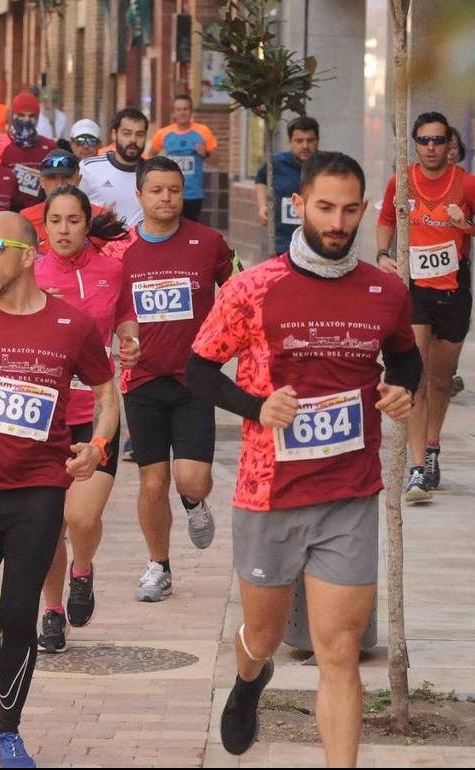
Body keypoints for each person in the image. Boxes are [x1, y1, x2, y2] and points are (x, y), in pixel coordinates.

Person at [188, 151, 419, 766]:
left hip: (349, 492)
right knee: (263, 636)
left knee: (338, 651)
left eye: (349, 209)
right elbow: (198, 368)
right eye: (325, 207)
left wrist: (404, 390)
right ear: (299, 206)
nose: (337, 222)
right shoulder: (253, 288)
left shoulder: (385, 289)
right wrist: (255, 406)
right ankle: (247, 681)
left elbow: (405, 358)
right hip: (270, 494)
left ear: (365, 210)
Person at [0, 211, 118, 768]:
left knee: (20, 613)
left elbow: (108, 398)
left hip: (40, 487)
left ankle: (7, 731)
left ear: (27, 253)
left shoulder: (72, 325)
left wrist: (98, 447)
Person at [117, 156, 233, 602]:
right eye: (157, 191)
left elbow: (237, 290)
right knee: (151, 481)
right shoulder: (120, 251)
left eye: (174, 190)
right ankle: (158, 566)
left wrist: (227, 339)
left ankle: (194, 503)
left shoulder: (208, 243)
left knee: (191, 480)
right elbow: (106, 309)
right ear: (140, 195)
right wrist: (119, 343)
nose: (167, 198)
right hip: (142, 381)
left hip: (194, 379)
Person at [33, 186, 138, 653]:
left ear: (86, 224)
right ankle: (52, 610)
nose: (63, 230)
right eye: (55, 220)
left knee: (81, 514)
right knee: (48, 523)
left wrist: (129, 339)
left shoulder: (111, 270)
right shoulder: (30, 273)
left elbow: (126, 314)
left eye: (73, 220)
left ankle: (84, 568)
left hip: (98, 410)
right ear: (45, 225)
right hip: (44, 416)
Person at [375, 111, 475, 501]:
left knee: (439, 378)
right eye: (424, 140)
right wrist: (383, 253)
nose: (431, 147)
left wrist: (463, 224)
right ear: (413, 143)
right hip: (414, 289)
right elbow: (385, 218)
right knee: (415, 373)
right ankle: (417, 466)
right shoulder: (401, 181)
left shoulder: (465, 183)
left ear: (449, 143)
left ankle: (432, 447)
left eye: (438, 140)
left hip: (453, 290)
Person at [255, 116, 320, 258]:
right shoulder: (275, 163)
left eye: (310, 140)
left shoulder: (326, 166)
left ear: (317, 141)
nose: (305, 146)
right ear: (289, 141)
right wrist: (262, 206)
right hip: (283, 244)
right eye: (299, 141)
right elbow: (260, 179)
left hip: (315, 245)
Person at [149, 95, 218, 222]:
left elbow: (216, 161)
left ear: (191, 111)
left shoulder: (203, 131)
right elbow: (150, 156)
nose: (182, 113)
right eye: (179, 109)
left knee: (190, 231)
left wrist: (204, 154)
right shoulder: (163, 133)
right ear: (173, 113)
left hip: (193, 193)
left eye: (185, 109)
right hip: (170, 193)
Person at [80, 108, 149, 227]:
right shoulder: (89, 168)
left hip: (142, 245)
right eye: (127, 133)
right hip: (99, 244)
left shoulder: (153, 174)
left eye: (140, 134)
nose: (133, 140)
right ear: (114, 134)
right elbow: (73, 210)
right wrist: (96, 221)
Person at [0, 93, 57, 211]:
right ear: (12, 115)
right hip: (8, 213)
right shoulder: (0, 144)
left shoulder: (49, 146)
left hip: (40, 212)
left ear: (38, 118)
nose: (26, 120)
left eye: (31, 116)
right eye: (21, 115)